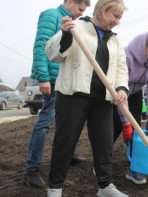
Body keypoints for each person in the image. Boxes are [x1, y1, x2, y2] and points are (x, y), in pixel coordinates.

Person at [45, 0, 129, 196]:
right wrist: (66, 34)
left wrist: (122, 88)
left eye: (120, 18)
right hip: (74, 96)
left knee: (104, 144)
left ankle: (105, 186)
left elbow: (121, 68)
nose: (117, 21)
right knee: (65, 142)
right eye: (114, 16)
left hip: (103, 99)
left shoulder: (115, 40)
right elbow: (52, 53)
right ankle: (55, 187)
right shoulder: (77, 28)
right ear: (101, 10)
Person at [23, 0, 90, 189]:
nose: (80, 13)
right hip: (51, 79)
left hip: (64, 78)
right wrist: (43, 77)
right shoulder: (51, 15)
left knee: (66, 121)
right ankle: (31, 169)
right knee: (45, 122)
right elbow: (40, 46)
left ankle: (67, 156)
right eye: (79, 8)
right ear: (69, 1)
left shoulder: (70, 21)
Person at [112, 30, 148, 184]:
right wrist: (125, 122)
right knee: (114, 127)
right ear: (144, 47)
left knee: (136, 131)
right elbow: (120, 85)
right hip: (117, 91)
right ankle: (102, 163)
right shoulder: (127, 56)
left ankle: (134, 168)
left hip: (135, 93)